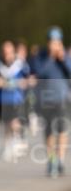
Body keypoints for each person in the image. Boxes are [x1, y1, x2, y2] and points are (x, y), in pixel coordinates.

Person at [31, 26, 70, 177]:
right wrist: (51, 58)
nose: (54, 45)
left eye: (57, 42)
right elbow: (40, 73)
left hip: (62, 99)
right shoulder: (41, 56)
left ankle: (60, 159)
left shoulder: (65, 56)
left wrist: (63, 59)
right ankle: (51, 160)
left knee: (62, 129)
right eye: (52, 42)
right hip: (45, 99)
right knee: (48, 131)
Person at [0, 40, 30, 162]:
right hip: (3, 99)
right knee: (6, 125)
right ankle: (7, 144)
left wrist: (24, 83)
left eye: (9, 52)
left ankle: (16, 142)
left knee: (15, 122)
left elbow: (29, 78)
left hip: (16, 98)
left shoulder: (20, 65)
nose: (7, 54)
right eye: (5, 52)